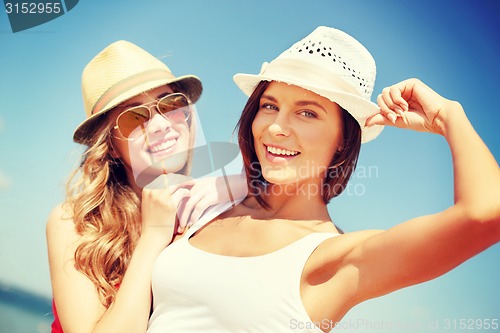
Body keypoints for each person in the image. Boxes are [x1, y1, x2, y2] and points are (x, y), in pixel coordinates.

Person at [147, 26, 500, 333]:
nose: (275, 127)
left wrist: (448, 117)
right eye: (269, 106)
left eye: (307, 112)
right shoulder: (206, 207)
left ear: (343, 140)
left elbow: (486, 213)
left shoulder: (335, 259)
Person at [46, 40, 245, 333]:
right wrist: (153, 236)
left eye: (171, 104)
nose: (160, 125)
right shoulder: (75, 224)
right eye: (133, 117)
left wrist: (251, 185)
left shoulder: (217, 209)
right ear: (111, 147)